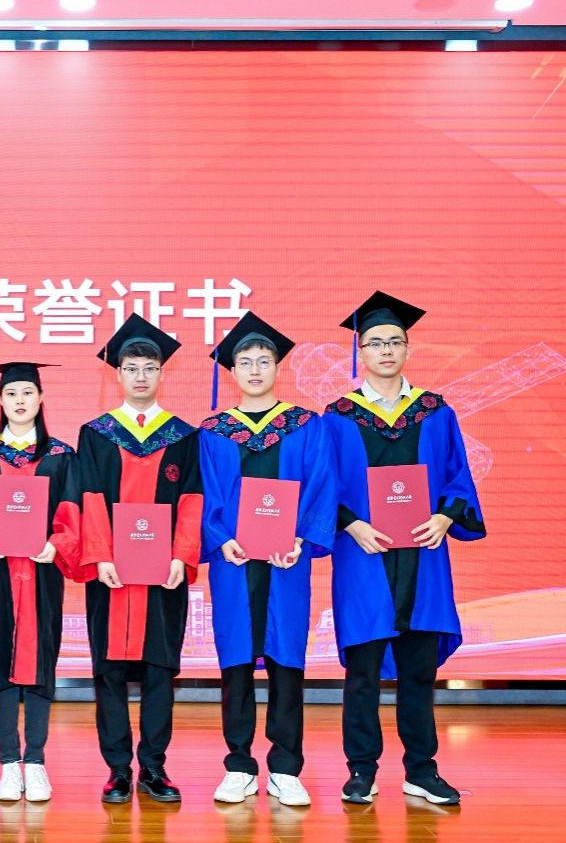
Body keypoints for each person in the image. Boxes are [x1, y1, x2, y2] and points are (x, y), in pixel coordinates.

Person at [324, 292, 486, 806]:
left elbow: (459, 475)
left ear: (408, 349)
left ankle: (422, 769)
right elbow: (323, 485)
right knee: (363, 673)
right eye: (376, 343)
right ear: (361, 353)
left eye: (395, 342)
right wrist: (351, 525)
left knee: (418, 671)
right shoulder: (338, 416)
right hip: (364, 556)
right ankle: (361, 771)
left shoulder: (436, 412)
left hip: (423, 551)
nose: (386, 350)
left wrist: (445, 516)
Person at [198, 312, 336, 806]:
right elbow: (204, 495)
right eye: (245, 362)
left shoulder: (306, 426)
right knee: (236, 660)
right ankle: (238, 764)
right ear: (232, 371)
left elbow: (321, 486)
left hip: (286, 561)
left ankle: (285, 766)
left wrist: (302, 539)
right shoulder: (213, 431)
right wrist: (219, 539)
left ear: (278, 367)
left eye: (263, 361)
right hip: (233, 563)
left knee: (286, 658)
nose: (255, 369)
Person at [75, 313, 203, 804]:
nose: (141, 376)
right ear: (119, 374)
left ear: (162, 373)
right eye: (132, 368)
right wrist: (101, 556)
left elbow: (191, 500)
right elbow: (88, 498)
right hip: (110, 572)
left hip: (163, 573)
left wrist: (181, 557)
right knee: (109, 671)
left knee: (158, 670)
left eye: (150, 367)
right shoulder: (96, 434)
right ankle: (116, 770)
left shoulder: (182, 436)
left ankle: (153, 767)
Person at [0, 362, 81, 803]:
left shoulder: (61, 456)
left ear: (41, 398)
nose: (20, 400)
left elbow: (72, 512)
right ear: (0, 399)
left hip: (43, 571)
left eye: (28, 392)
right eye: (12, 393)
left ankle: (37, 762)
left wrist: (57, 544)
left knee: (42, 654)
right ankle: (9, 762)